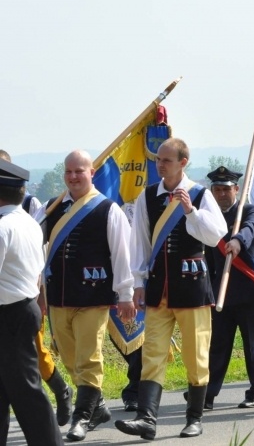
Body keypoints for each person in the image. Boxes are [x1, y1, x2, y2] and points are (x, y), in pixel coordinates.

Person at [116, 138, 226, 440]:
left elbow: (216, 234)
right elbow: (139, 242)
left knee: (195, 354)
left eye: (166, 160)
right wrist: (138, 283)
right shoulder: (147, 196)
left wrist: (191, 211)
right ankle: (146, 419)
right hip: (158, 289)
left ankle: (194, 417)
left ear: (183, 162)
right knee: (152, 353)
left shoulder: (200, 194)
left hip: (192, 289)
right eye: (158, 160)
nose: (160, 165)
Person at [37, 150, 135, 442]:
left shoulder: (108, 209)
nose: (73, 177)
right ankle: (99, 407)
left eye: (79, 171)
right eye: (68, 171)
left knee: (89, 357)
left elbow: (122, 255)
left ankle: (80, 419)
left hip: (94, 296)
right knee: (70, 358)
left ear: (91, 172)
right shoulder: (50, 208)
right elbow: (34, 250)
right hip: (59, 297)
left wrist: (125, 294)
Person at [0, 149, 73, 426]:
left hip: (22, 299)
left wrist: (41, 297)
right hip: (14, 299)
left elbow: (36, 257)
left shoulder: (28, 207)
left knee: (35, 360)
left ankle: (61, 390)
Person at [203, 166, 254, 409]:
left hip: (249, 291)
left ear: (236, 189)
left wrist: (238, 241)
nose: (222, 194)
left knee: (253, 345)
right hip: (221, 293)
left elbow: (251, 229)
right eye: (217, 189)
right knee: (218, 345)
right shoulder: (210, 216)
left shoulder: (247, 211)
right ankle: (207, 395)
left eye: (226, 189)